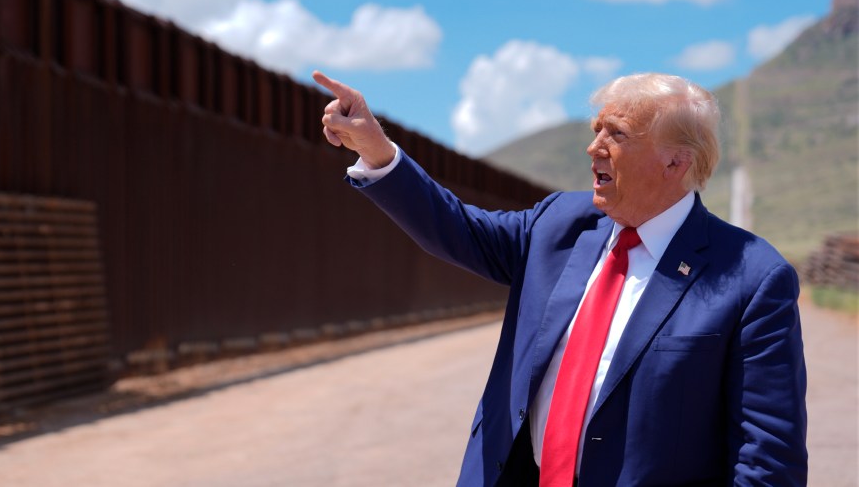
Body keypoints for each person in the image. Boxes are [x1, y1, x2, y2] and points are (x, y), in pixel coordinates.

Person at [311, 70, 807, 486]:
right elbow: (459, 229)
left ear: (675, 162)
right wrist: (378, 153)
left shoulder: (751, 276)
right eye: (596, 129)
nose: (594, 147)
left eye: (616, 134)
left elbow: (767, 457)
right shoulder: (559, 224)